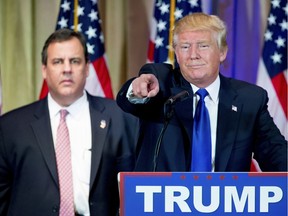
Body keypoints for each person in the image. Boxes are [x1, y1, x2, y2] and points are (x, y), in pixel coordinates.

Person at [116, 13, 287, 172]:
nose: (193, 55)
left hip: (225, 201)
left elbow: (275, 152)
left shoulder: (249, 99)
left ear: (222, 52)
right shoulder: (162, 86)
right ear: (176, 53)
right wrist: (137, 90)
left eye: (203, 46)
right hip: (163, 200)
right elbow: (128, 100)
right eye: (184, 47)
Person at [0, 29, 138, 216]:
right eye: (57, 62)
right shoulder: (10, 127)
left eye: (75, 61)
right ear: (44, 70)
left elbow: (135, 192)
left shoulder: (121, 118)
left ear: (87, 67)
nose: (67, 69)